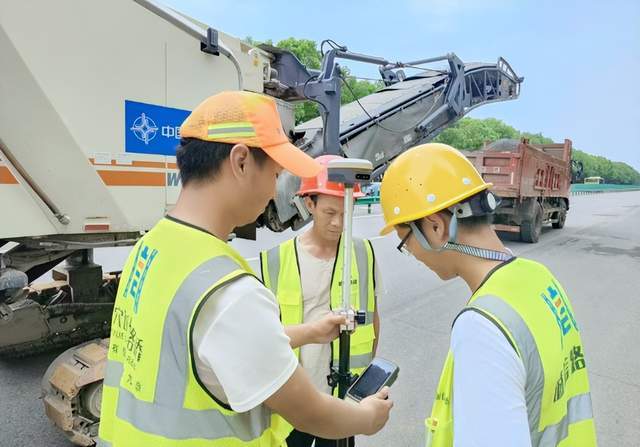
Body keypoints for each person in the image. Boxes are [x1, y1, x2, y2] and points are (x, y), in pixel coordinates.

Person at [98, 91, 393, 447]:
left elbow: (212, 345)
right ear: (240, 161)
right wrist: (368, 417)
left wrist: (310, 332)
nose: (273, 193)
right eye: (275, 175)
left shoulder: (152, 247)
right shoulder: (226, 289)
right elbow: (309, 412)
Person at [378, 143, 596, 447]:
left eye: (405, 242)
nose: (411, 253)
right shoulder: (539, 277)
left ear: (435, 227)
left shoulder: (483, 327)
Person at [260, 155, 383, 447]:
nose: (338, 222)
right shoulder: (277, 259)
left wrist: (364, 382)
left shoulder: (363, 252)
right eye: (329, 212)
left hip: (342, 399)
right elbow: (264, 334)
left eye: (345, 212)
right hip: (293, 399)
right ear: (310, 204)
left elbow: (373, 318)